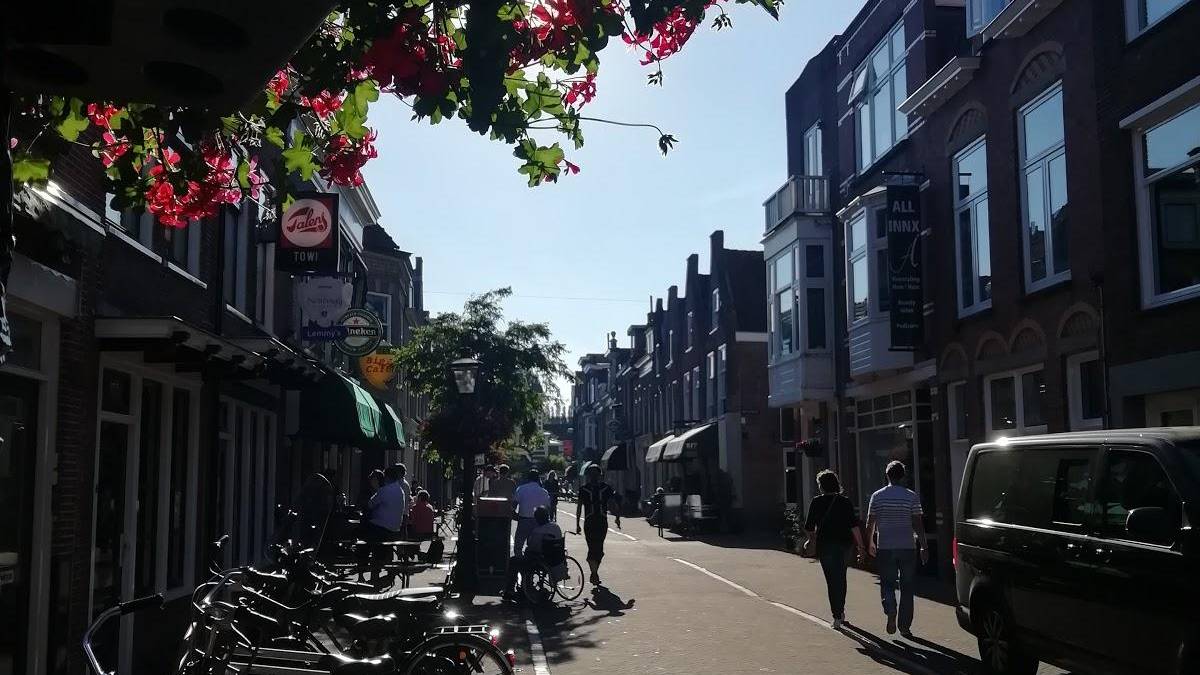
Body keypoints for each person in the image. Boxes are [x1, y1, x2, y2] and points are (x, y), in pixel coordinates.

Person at [866, 460, 928, 638]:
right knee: (907, 586)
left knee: (887, 582)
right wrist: (924, 546)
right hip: (907, 546)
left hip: (885, 545)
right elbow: (917, 523)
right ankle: (905, 626)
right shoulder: (911, 496)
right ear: (903, 476)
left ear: (887, 475)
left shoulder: (877, 496)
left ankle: (891, 609)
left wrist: (869, 542)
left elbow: (871, 522)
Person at [803, 470, 866, 629]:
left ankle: (837, 616)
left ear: (821, 486)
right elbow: (854, 526)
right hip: (845, 544)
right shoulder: (845, 502)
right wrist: (861, 546)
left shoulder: (816, 502)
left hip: (826, 545)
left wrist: (811, 539)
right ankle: (841, 610)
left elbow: (809, 526)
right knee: (841, 576)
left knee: (832, 580)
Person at [503, 505, 563, 600]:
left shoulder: (537, 531)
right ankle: (526, 585)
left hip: (540, 559)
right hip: (555, 558)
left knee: (514, 561)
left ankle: (510, 589)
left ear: (537, 519)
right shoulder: (556, 527)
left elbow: (532, 547)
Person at [575, 464, 620, 586]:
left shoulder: (599, 489)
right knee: (597, 548)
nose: (594, 477)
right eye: (592, 474)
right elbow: (613, 504)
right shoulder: (591, 489)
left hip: (594, 522)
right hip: (597, 522)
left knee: (596, 548)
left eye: (595, 474)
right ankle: (594, 572)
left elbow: (612, 503)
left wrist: (577, 523)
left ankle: (594, 572)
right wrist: (617, 517)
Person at [512, 469, 552, 556]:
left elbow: (513, 506)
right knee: (534, 547)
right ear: (538, 479)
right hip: (538, 522)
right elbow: (548, 508)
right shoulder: (544, 492)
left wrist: (515, 516)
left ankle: (520, 563)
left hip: (523, 520)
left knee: (518, 546)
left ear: (528, 478)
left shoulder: (521, 489)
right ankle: (532, 565)